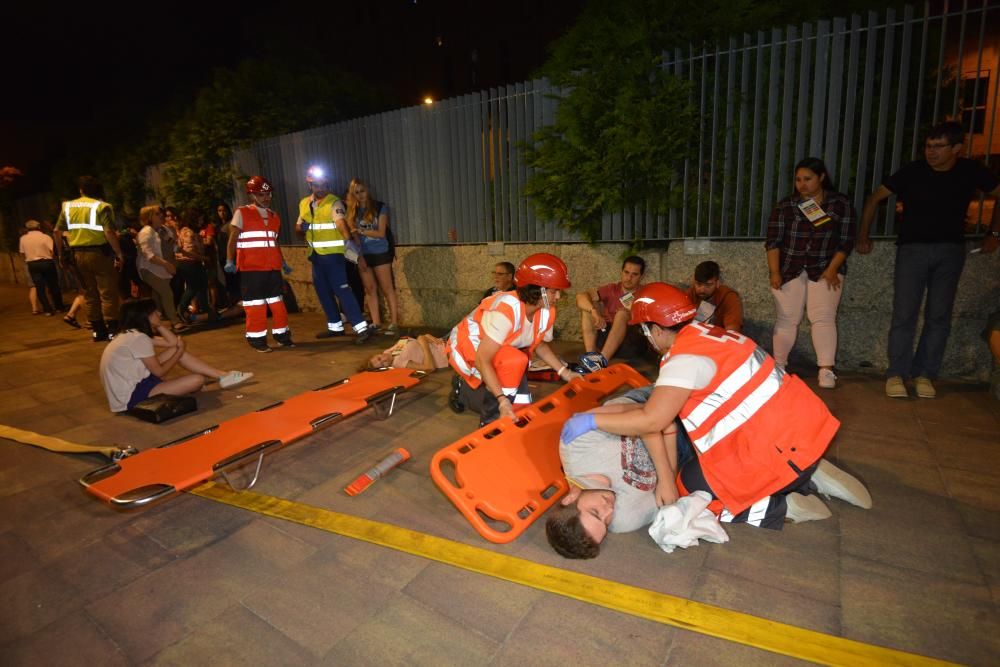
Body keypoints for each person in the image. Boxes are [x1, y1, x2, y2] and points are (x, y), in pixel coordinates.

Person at [547, 283, 871, 559]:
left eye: (594, 513)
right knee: (691, 488)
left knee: (696, 490)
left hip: (769, 436)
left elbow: (648, 419)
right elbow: (661, 424)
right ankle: (808, 472)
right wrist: (665, 472)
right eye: (605, 521)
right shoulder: (708, 334)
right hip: (794, 424)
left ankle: (782, 503)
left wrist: (594, 424)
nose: (607, 509)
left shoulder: (580, 446)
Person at [857, 121, 1000, 399]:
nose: (931, 152)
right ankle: (896, 373)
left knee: (939, 315)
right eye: (928, 146)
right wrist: (863, 235)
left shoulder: (970, 171)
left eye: (939, 146)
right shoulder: (913, 171)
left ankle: (925, 374)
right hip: (912, 249)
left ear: (956, 148)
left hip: (950, 250)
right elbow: (875, 198)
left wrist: (994, 233)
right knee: (904, 313)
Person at [447, 252, 583, 425]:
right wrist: (502, 400)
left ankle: (479, 397)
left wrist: (566, 373)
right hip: (468, 345)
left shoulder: (546, 311)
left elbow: (538, 344)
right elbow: (483, 359)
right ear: (538, 290)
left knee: (520, 406)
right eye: (554, 291)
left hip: (497, 347)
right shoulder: (506, 311)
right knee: (514, 363)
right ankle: (489, 421)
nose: (558, 297)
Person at [766, 157, 856, 389]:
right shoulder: (786, 205)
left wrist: (833, 268)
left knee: (823, 317)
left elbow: (846, 240)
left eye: (808, 179)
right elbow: (773, 241)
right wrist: (775, 272)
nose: (802, 185)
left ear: (822, 177)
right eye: (798, 180)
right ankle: (779, 366)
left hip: (826, 267)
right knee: (787, 318)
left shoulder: (839, 203)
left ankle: (826, 370)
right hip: (789, 268)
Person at [99, 298, 252, 413]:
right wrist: (178, 352)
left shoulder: (133, 334)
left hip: (136, 384)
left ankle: (223, 376)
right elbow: (160, 371)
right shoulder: (138, 338)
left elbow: (172, 343)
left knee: (179, 354)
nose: (159, 313)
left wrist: (159, 325)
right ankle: (219, 379)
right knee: (197, 379)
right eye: (155, 312)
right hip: (131, 397)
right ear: (145, 316)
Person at [294, 166, 373, 344]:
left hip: (334, 257)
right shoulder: (304, 203)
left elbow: (341, 225)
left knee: (342, 291)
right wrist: (301, 229)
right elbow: (298, 226)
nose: (320, 188)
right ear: (310, 184)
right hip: (315, 256)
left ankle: (361, 328)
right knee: (322, 291)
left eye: (323, 184)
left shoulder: (334, 202)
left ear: (327, 183)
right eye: (316, 185)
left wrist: (353, 250)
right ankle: (335, 326)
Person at [225, 175, 295, 352]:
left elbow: (274, 242)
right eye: (262, 194)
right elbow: (232, 238)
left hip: (272, 267)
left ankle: (282, 336)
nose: (266, 198)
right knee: (255, 305)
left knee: (278, 303)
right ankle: (257, 340)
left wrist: (283, 262)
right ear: (252, 195)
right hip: (251, 268)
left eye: (268, 194)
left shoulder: (274, 216)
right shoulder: (242, 212)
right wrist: (229, 260)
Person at [53, 176, 124, 342]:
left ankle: (98, 331)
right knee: (108, 292)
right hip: (100, 254)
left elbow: (56, 232)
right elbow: (108, 232)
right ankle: (113, 330)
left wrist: (61, 254)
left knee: (89, 293)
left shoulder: (67, 207)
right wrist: (119, 253)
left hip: (77, 255)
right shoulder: (103, 206)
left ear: (81, 190)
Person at [346, 178, 400, 335]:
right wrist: (359, 256)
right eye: (356, 192)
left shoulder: (379, 207)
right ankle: (376, 323)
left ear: (367, 190)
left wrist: (361, 231)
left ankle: (394, 323)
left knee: (387, 288)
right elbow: (354, 238)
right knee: (370, 289)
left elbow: (381, 233)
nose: (360, 195)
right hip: (363, 254)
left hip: (380, 252)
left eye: (362, 191)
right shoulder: (353, 212)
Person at [575, 256, 647, 364]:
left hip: (632, 342)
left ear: (641, 276)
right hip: (606, 337)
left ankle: (601, 362)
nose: (629, 277)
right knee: (588, 307)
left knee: (622, 314)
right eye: (626, 272)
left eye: (634, 274)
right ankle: (591, 358)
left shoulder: (645, 293)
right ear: (621, 272)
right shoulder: (612, 289)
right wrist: (593, 311)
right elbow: (580, 297)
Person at [136, 205, 183, 330]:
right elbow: (149, 255)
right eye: (157, 213)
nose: (161, 215)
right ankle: (175, 320)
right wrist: (166, 264)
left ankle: (154, 323)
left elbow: (173, 246)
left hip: (163, 268)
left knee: (157, 295)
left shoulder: (164, 230)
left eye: (161, 213)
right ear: (149, 217)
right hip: (149, 268)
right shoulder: (145, 232)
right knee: (166, 291)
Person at [19, 220, 64, 315]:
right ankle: (59, 307)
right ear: (39, 227)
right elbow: (52, 251)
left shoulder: (23, 238)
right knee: (53, 285)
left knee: (39, 287)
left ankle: (47, 309)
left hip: (32, 264)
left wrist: (28, 260)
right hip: (47, 262)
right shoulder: (45, 237)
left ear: (27, 228)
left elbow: (22, 253)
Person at [686, 260, 743, 332]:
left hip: (719, 340)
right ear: (694, 282)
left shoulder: (729, 297)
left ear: (717, 283)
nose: (702, 290)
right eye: (699, 284)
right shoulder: (690, 294)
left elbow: (733, 331)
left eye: (708, 285)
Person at [363, 334, 449, 372]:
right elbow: (429, 368)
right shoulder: (399, 363)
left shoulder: (388, 352)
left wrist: (427, 337)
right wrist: (424, 343)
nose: (384, 359)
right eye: (383, 364)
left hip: (442, 341)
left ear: (377, 354)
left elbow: (406, 339)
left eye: (379, 358)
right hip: (446, 353)